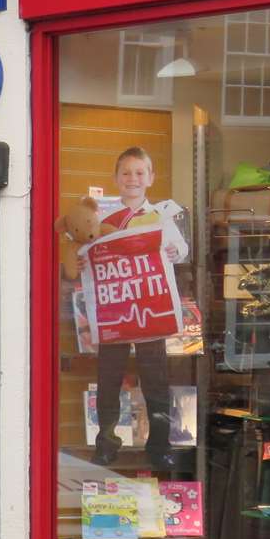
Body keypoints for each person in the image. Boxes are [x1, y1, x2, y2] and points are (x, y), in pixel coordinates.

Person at [93, 146, 187, 471]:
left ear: (150, 177)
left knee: (155, 379)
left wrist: (176, 251)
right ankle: (106, 441)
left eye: (139, 172)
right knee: (108, 378)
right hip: (115, 308)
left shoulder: (161, 216)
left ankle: (159, 445)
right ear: (116, 178)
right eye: (126, 173)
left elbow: (182, 248)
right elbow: (88, 248)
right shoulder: (102, 217)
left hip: (150, 307)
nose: (132, 178)